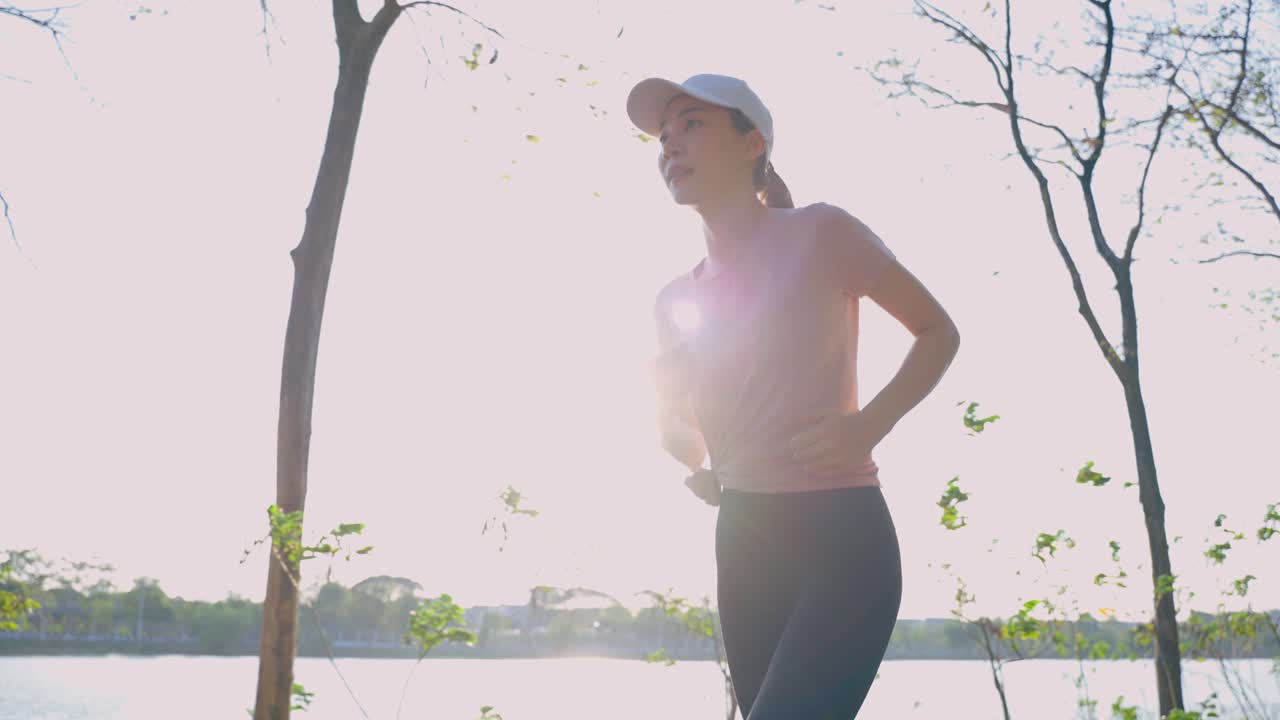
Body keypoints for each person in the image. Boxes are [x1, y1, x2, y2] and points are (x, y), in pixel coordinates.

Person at [628, 73, 961, 719]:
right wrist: (664, 407)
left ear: (753, 142)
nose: (672, 146)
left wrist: (871, 425)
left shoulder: (821, 232)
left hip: (839, 534)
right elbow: (691, 446)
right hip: (745, 543)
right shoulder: (675, 301)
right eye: (664, 137)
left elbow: (938, 332)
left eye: (693, 125)